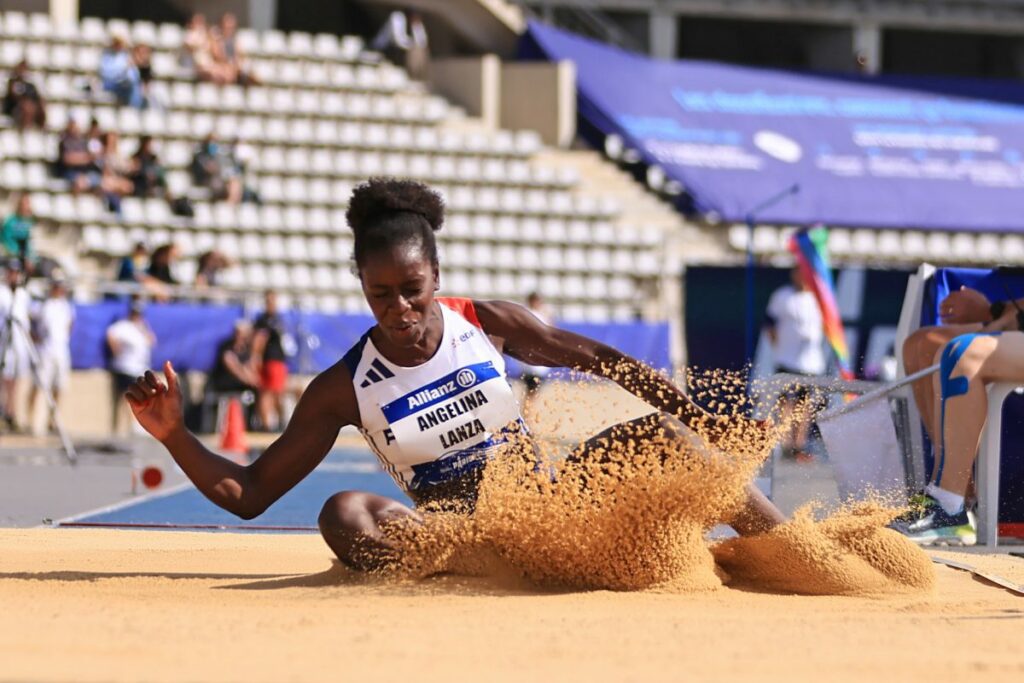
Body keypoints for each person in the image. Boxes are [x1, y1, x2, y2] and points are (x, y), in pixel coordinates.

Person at [123, 178, 784, 570]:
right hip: (461, 538)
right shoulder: (345, 385)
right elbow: (253, 492)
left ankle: (795, 548)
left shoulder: (486, 322)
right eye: (381, 294)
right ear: (361, 288)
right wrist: (173, 433)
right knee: (343, 513)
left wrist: (703, 419)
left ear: (435, 276)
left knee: (670, 438)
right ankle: (481, 575)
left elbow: (605, 362)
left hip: (555, 504)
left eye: (412, 288)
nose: (400, 308)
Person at [763, 267, 826, 462]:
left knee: (805, 404)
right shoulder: (782, 296)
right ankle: (785, 444)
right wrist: (778, 347)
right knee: (785, 403)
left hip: (811, 363)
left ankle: (799, 445)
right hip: (786, 359)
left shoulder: (819, 298)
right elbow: (769, 323)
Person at [29, 279, 73, 434]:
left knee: (59, 386)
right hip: (45, 350)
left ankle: (53, 421)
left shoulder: (66, 306)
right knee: (39, 385)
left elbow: (69, 325)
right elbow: (30, 322)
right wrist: (36, 339)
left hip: (61, 351)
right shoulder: (42, 306)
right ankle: (32, 421)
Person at [107, 298, 155, 435]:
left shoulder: (142, 327)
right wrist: (116, 351)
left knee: (140, 397)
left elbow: (152, 341)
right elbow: (111, 334)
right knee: (130, 397)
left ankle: (135, 424)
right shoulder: (122, 326)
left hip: (139, 368)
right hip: (125, 367)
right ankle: (128, 425)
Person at [253, 290, 291, 432]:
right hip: (271, 360)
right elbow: (259, 340)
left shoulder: (277, 319)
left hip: (277, 360)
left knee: (276, 393)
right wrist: (256, 357)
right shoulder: (265, 320)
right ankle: (266, 425)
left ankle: (276, 423)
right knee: (268, 393)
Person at [0, 260, 32, 432]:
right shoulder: (2, 292)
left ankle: (13, 414)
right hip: (5, 341)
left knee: (17, 380)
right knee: (5, 379)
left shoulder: (22, 294)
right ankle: (4, 412)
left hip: (20, 341)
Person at [519, 292, 551, 420]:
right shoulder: (538, 315)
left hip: (528, 359)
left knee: (530, 393)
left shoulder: (524, 313)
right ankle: (526, 419)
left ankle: (526, 418)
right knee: (531, 393)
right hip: (535, 361)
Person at [207, 320, 260, 395]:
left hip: (242, 386)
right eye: (238, 333)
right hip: (226, 384)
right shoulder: (226, 347)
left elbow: (251, 366)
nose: (240, 336)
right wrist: (249, 380)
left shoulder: (247, 349)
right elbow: (232, 365)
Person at [190, 134, 243, 203]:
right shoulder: (200, 155)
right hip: (206, 180)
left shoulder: (218, 156)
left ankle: (231, 203)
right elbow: (207, 169)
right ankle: (229, 204)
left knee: (234, 182)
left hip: (219, 179)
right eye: (211, 142)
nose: (213, 144)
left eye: (215, 142)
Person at [99, 34, 145, 108]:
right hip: (110, 84)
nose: (119, 46)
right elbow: (107, 74)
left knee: (134, 86)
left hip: (124, 85)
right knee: (132, 87)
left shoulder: (125, 57)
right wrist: (124, 69)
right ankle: (134, 109)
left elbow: (134, 76)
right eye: (117, 43)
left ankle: (134, 109)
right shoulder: (107, 57)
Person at [56, 119, 99, 194]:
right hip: (69, 172)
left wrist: (81, 158)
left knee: (99, 181)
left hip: (84, 172)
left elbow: (91, 157)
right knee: (79, 183)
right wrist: (84, 157)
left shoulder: (83, 141)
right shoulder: (65, 142)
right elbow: (67, 159)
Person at [216, 12, 259, 85]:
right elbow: (219, 57)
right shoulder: (216, 40)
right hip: (223, 69)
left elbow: (240, 56)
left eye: (232, 27)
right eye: (227, 26)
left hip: (234, 69)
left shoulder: (236, 41)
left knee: (253, 75)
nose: (229, 29)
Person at [3, 60, 46, 129]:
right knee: (27, 106)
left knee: (38, 106)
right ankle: (24, 128)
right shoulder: (13, 82)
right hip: (15, 109)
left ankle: (40, 129)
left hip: (31, 108)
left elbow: (36, 97)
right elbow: (13, 96)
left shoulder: (30, 85)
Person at [1, 194, 35, 271]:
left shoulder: (30, 222)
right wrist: (21, 257)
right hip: (12, 256)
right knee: (15, 265)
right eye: (24, 204)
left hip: (25, 258)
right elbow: (7, 241)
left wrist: (31, 258)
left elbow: (30, 244)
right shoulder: (10, 221)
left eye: (28, 204)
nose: (27, 206)